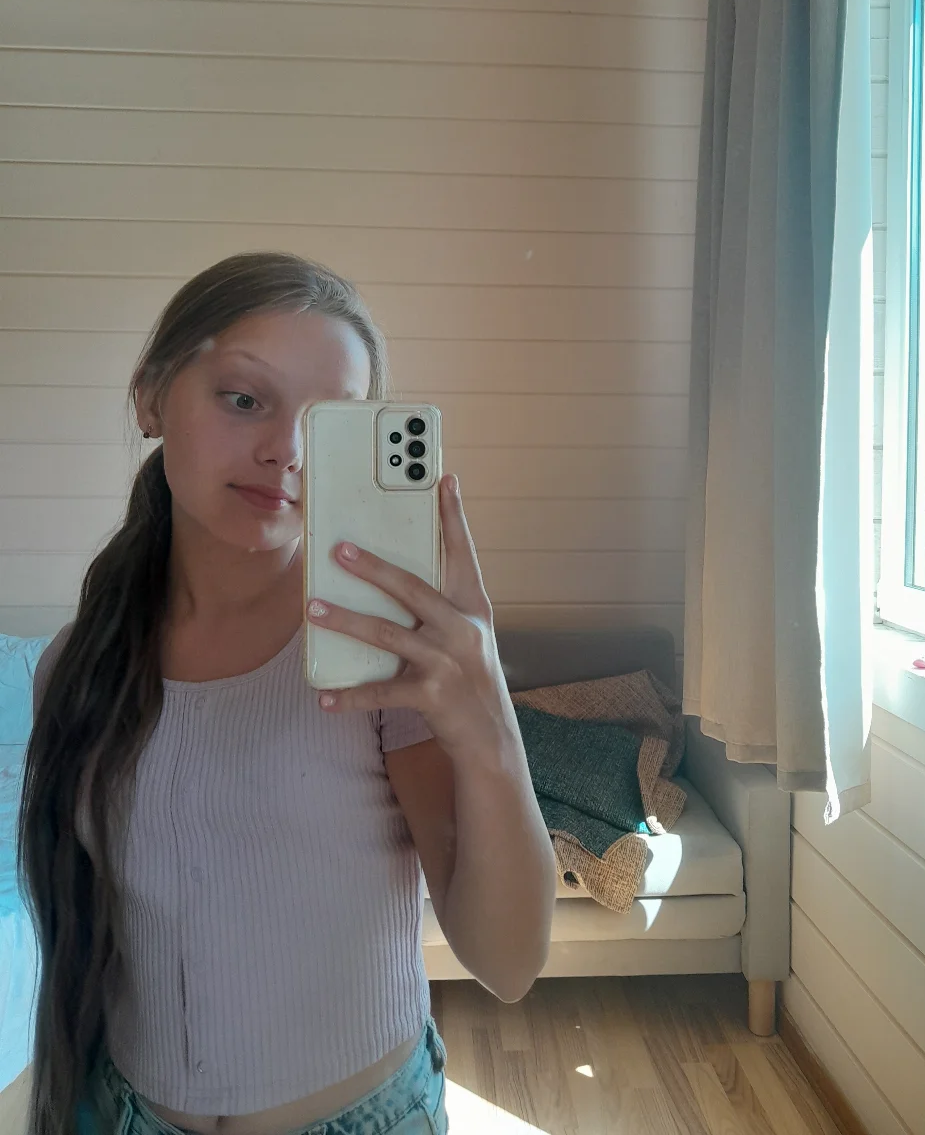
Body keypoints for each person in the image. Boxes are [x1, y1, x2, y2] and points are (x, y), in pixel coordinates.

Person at [17, 252, 556, 1135]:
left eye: (327, 422)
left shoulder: (384, 658)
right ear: (151, 396)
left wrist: (490, 724)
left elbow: (508, 961)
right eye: (244, 399)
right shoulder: (74, 668)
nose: (287, 450)